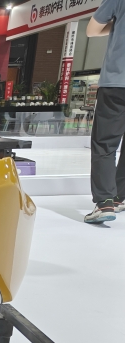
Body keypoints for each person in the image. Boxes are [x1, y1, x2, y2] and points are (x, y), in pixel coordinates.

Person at [84, 0, 125, 223]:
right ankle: (121, 197)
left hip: (117, 83)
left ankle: (105, 203)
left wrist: (117, 24)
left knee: (105, 144)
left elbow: (92, 30)